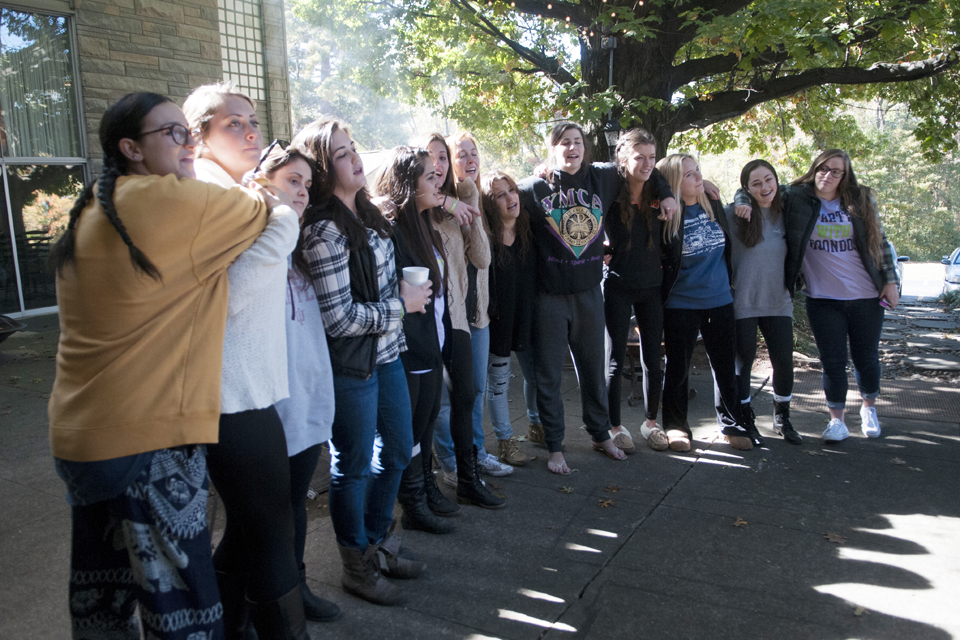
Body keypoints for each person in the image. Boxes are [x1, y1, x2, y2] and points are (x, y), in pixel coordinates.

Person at [48, 92, 276, 640]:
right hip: (145, 439)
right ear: (131, 148)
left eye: (187, 132)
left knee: (103, 602)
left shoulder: (97, 203)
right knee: (182, 607)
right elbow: (257, 210)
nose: (188, 144)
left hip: (82, 439)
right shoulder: (165, 200)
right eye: (173, 133)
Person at [184, 82, 310, 639]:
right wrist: (283, 224)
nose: (251, 132)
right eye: (232, 123)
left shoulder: (236, 192)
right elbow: (225, 298)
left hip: (246, 387)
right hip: (229, 393)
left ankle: (225, 629)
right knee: (271, 526)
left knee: (251, 525)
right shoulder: (205, 193)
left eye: (252, 121)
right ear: (198, 137)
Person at [291, 117, 431, 606]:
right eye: (341, 153)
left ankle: (376, 543)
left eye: (353, 147)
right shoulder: (324, 232)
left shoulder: (369, 214)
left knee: (397, 450)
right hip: (351, 365)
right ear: (323, 169)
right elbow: (339, 319)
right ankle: (357, 564)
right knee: (352, 465)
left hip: (387, 354)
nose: (355, 157)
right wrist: (401, 306)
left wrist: (404, 293)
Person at [517, 122, 677, 474]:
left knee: (594, 371)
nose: (572, 148)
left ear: (585, 147)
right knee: (549, 377)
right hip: (549, 298)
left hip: (589, 293)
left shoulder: (603, 177)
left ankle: (601, 434)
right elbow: (500, 202)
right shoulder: (532, 188)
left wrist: (667, 193)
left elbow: (643, 166)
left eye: (578, 141)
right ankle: (555, 447)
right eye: (564, 142)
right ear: (553, 148)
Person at [262, 143, 343, 621]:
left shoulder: (300, 247)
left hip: (309, 396)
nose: (302, 192)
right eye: (292, 181)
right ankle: (271, 601)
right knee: (271, 510)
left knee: (293, 502)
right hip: (271, 403)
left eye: (307, 185)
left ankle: (296, 587)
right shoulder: (259, 245)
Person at [780, 149, 899, 441]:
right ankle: (837, 422)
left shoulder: (860, 200)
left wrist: (890, 281)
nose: (827, 175)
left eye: (836, 171)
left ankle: (869, 408)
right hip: (822, 298)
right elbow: (758, 189)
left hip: (865, 296)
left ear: (845, 176)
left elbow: (879, 241)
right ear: (814, 169)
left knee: (866, 358)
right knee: (832, 362)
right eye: (823, 168)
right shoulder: (795, 197)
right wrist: (740, 200)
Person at [415, 133, 506, 509]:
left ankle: (468, 478)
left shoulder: (456, 208)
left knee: (467, 396)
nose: (438, 164)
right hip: (425, 322)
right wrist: (445, 200)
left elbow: (482, 258)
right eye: (433, 157)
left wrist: (469, 201)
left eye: (443, 157)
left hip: (459, 319)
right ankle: (432, 480)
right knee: (430, 407)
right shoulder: (416, 208)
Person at [375, 146, 457, 534]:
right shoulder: (390, 230)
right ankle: (413, 504)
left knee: (424, 424)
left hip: (430, 342)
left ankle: (425, 489)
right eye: (429, 175)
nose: (439, 178)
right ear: (409, 185)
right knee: (408, 430)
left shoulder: (425, 224)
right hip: (407, 348)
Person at [657, 153, 756, 453]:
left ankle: (731, 423)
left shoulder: (712, 204)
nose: (698, 177)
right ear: (674, 182)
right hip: (681, 304)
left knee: (725, 366)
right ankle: (676, 426)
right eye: (689, 174)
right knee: (678, 369)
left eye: (698, 170)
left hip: (720, 300)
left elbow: (742, 194)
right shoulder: (665, 214)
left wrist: (704, 183)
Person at [603, 128, 672, 453]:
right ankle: (614, 427)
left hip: (651, 288)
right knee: (614, 360)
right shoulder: (609, 189)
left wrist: (669, 192)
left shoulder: (657, 189)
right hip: (618, 285)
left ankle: (651, 424)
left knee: (653, 361)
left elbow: (662, 176)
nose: (647, 164)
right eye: (639, 157)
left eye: (651, 157)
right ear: (623, 158)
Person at [725, 160, 802, 444]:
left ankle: (783, 417)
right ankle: (745, 417)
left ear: (776, 180)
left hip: (778, 302)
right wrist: (740, 200)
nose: (764, 187)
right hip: (743, 303)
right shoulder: (735, 215)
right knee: (742, 366)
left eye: (768, 179)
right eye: (756, 184)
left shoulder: (788, 213)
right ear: (746, 188)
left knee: (783, 363)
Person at [480, 171, 536, 466]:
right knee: (498, 384)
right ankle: (505, 442)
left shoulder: (530, 229)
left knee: (536, 377)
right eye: (500, 195)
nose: (510, 198)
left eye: (512, 190)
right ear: (491, 204)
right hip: (498, 324)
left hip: (527, 319)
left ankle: (537, 424)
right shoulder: (486, 239)